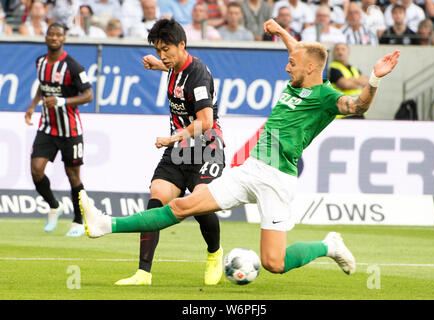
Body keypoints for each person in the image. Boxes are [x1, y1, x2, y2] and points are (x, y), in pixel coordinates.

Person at [79, 18, 400, 279]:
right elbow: (302, 54)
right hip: (250, 169)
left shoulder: (326, 98)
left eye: (292, 64)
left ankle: (328, 245)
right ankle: (104, 225)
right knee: (181, 207)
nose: (287, 68)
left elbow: (357, 105)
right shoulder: (299, 79)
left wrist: (373, 78)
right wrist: (281, 32)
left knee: (274, 263)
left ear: (310, 69)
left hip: (278, 179)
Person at [113, 18, 224, 286]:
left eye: (167, 50)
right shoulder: (173, 65)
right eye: (159, 50)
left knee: (201, 205)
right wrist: (158, 65)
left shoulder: (198, 74)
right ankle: (143, 273)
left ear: (182, 45)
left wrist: (173, 137)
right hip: (178, 151)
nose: (164, 55)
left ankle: (214, 253)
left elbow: (206, 121)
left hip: (206, 149)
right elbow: (173, 67)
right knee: (156, 199)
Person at [24, 23, 93, 237]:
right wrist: (33, 105)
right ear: (46, 37)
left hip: (70, 130)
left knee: (73, 175)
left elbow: (89, 95)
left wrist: (62, 102)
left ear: (64, 39)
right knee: (36, 170)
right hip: (47, 127)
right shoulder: (41, 62)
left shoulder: (74, 67)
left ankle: (78, 221)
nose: (54, 37)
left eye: (58, 35)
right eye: (51, 34)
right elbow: (43, 86)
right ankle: (54, 206)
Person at [329, 43, 369, 119]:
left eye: (343, 49)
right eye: (337, 50)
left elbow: (367, 82)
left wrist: (351, 80)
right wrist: (358, 82)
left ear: (348, 52)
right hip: (344, 114)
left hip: (358, 112)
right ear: (333, 53)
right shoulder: (332, 68)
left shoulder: (354, 68)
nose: (340, 52)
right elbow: (346, 85)